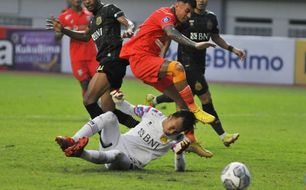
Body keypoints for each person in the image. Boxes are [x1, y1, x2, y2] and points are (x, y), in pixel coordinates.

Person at [119, 0, 216, 157]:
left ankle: (190, 141)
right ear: (178, 4)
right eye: (187, 10)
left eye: (191, 12)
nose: (189, 15)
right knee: (177, 68)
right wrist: (195, 45)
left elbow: (168, 38)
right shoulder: (164, 14)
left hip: (149, 61)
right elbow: (170, 33)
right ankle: (195, 109)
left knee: (181, 101)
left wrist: (161, 58)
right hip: (140, 59)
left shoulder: (175, 21)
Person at [145, 0, 246, 147]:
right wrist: (161, 57)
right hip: (186, 65)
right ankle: (223, 136)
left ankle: (155, 101)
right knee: (205, 98)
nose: (202, 1)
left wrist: (232, 49)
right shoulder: (185, 16)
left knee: (183, 95)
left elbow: (215, 37)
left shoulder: (211, 18)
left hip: (199, 65)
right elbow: (169, 36)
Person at [55, 90, 204, 171]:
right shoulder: (153, 113)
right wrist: (119, 100)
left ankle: (80, 153)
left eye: (176, 131)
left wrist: (178, 155)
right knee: (110, 116)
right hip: (117, 141)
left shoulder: (177, 140)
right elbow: (129, 109)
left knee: (117, 154)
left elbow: (180, 169)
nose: (171, 132)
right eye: (172, 127)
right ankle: (72, 141)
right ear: (170, 116)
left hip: (129, 162)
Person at [46, 0, 138, 128]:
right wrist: (63, 30)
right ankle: (139, 128)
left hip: (112, 60)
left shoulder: (109, 9)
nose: (87, 2)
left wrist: (129, 29)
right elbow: (85, 36)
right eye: (85, 0)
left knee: (89, 100)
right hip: (109, 62)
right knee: (108, 111)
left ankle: (103, 135)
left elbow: (128, 22)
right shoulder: (92, 21)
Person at [56, 0, 98, 97]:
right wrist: (62, 30)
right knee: (85, 84)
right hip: (77, 57)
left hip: (92, 56)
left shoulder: (90, 14)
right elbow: (57, 37)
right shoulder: (64, 16)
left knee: (99, 83)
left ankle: (101, 108)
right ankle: (92, 109)